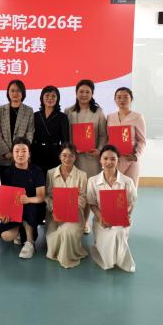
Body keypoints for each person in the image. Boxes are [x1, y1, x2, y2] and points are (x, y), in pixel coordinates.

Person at [64, 79, 107, 233]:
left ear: (92, 94)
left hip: (91, 159)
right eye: (81, 91)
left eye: (87, 92)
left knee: (88, 191)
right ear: (76, 93)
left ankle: (85, 222)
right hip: (73, 158)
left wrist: (99, 150)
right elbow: (65, 135)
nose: (84, 94)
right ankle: (72, 219)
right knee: (73, 190)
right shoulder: (68, 111)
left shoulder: (98, 112)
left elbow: (103, 135)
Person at [87, 144, 137, 272]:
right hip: (101, 220)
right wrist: (101, 217)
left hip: (120, 219)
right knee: (108, 238)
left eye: (113, 159)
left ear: (118, 161)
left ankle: (121, 261)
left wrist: (125, 215)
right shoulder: (92, 181)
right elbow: (92, 203)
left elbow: (131, 202)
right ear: (100, 160)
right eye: (105, 158)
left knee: (118, 232)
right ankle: (108, 258)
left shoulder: (127, 181)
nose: (109, 162)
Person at [0, 137, 46, 259]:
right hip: (13, 210)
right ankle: (21, 230)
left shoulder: (37, 171)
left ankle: (30, 243)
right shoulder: (7, 173)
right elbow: (5, 198)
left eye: (24, 151)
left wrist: (28, 199)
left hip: (32, 207)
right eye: (17, 151)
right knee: (6, 236)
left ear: (29, 154)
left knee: (29, 207)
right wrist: (3, 214)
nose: (20, 154)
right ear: (12, 154)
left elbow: (41, 197)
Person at [45, 143, 88, 268]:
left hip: (75, 215)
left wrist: (70, 207)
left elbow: (83, 198)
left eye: (71, 156)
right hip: (55, 215)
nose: (67, 159)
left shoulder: (82, 175)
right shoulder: (51, 173)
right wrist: (54, 208)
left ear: (75, 157)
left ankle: (67, 257)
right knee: (52, 238)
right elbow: (47, 196)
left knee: (66, 231)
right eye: (64, 155)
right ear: (59, 156)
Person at [0, 79, 34, 183]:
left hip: (21, 156)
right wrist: (6, 152)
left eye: (18, 91)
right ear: (8, 92)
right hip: (4, 156)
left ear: (23, 93)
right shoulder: (1, 109)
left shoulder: (29, 110)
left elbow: (30, 133)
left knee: (21, 185)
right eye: (12, 90)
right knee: (6, 185)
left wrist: (20, 151)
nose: (15, 93)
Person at [106, 87, 146, 187]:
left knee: (130, 189)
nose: (122, 100)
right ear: (115, 99)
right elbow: (108, 138)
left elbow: (142, 141)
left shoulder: (137, 117)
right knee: (113, 188)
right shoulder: (110, 117)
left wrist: (136, 155)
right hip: (114, 160)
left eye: (125, 97)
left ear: (131, 99)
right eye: (119, 97)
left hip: (130, 159)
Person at [31, 85, 70, 175]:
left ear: (57, 99)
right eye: (47, 95)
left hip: (55, 153)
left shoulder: (62, 117)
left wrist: (64, 156)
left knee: (53, 180)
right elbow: (31, 136)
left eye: (53, 96)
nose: (50, 98)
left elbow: (65, 140)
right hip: (37, 153)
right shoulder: (35, 115)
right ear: (42, 98)